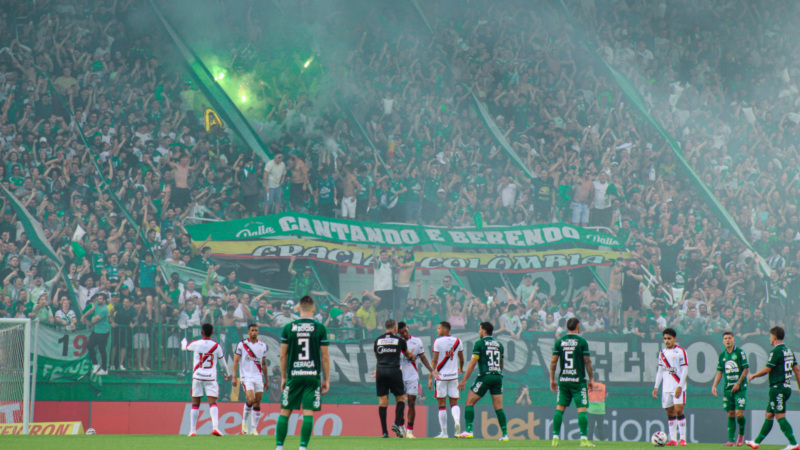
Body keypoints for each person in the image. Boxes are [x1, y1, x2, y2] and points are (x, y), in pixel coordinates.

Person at [276, 296, 330, 450]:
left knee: (285, 410)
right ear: (313, 309)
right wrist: (326, 379)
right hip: (312, 375)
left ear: (299, 309)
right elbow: (325, 356)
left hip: (294, 375)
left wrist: (284, 377)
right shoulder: (320, 328)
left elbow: (282, 355)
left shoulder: (288, 328)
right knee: (308, 411)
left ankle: (279, 447)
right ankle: (302, 447)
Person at [745, 326, 800, 450]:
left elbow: (767, 369)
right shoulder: (788, 351)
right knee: (769, 414)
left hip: (777, 388)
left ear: (774, 337)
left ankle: (793, 443)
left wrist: (754, 375)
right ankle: (756, 442)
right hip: (786, 388)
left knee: (780, 416)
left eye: (770, 336)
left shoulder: (776, 351)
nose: (769, 339)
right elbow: (797, 370)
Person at [457, 321, 508, 441]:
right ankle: (505, 434)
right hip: (498, 376)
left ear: (484, 330)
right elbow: (501, 363)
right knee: (499, 407)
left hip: (485, 376)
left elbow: (472, 363)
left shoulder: (479, 344)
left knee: (469, 402)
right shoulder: (499, 344)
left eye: (480, 329)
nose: (479, 331)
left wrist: (464, 379)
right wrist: (497, 374)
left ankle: (469, 431)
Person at [550, 317, 595, 447]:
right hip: (578, 381)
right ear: (578, 326)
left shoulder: (560, 342)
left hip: (564, 380)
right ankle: (584, 439)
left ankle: (555, 438)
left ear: (566, 327)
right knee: (581, 409)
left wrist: (552, 379)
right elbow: (587, 361)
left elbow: (553, 362)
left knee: (560, 408)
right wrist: (591, 378)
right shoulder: (582, 342)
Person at [180, 323, 230, 436]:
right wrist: (227, 373)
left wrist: (183, 341)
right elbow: (223, 363)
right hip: (211, 378)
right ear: (212, 332)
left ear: (202, 332)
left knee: (195, 403)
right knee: (213, 403)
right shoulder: (217, 346)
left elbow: (184, 348)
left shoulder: (196, 344)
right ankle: (215, 428)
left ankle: (192, 430)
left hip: (197, 377)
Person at [372, 319, 417, 438]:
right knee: (401, 398)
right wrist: (412, 356)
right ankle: (396, 423)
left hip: (381, 371)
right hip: (394, 371)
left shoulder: (378, 340)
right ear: (395, 328)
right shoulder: (399, 340)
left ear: (385, 328)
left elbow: (377, 356)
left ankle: (384, 432)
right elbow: (408, 355)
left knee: (383, 402)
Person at [397, 321, 436, 439]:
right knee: (400, 403)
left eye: (405, 331)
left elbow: (422, 357)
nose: (404, 334)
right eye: (401, 333)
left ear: (408, 328)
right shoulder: (397, 343)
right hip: (399, 376)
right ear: (398, 333)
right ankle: (401, 428)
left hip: (412, 375)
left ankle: (409, 431)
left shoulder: (417, 341)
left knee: (411, 402)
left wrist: (431, 370)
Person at [711, 331, 749, 446]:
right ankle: (731, 440)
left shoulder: (740, 352)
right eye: (725, 338)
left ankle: (741, 434)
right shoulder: (722, 355)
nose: (728, 340)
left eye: (729, 338)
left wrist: (738, 384)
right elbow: (719, 372)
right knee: (730, 413)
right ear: (723, 341)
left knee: (739, 414)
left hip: (740, 388)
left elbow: (746, 369)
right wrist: (714, 385)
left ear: (734, 340)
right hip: (728, 389)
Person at [653, 328, 689, 446]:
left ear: (674, 339)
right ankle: (673, 439)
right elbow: (660, 371)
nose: (667, 341)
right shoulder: (662, 353)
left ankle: (682, 439)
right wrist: (656, 387)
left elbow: (685, 369)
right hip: (666, 387)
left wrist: (680, 386)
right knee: (669, 412)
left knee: (678, 410)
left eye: (669, 338)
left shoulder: (681, 352)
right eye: (665, 339)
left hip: (678, 386)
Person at [428, 320, 464, 439]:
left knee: (441, 404)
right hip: (453, 376)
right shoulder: (458, 341)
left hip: (441, 377)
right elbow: (461, 358)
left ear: (445, 329)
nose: (437, 330)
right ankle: (457, 423)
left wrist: (430, 376)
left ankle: (444, 432)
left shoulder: (438, 341)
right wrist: (461, 368)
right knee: (454, 403)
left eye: (439, 328)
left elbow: (434, 360)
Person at [232, 324, 269, 436]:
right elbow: (236, 361)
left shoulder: (262, 345)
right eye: (252, 330)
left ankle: (254, 429)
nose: (254, 332)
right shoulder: (242, 344)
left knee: (257, 402)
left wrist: (266, 379)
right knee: (251, 399)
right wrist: (234, 376)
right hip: (246, 377)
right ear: (248, 331)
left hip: (258, 377)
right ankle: (244, 421)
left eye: (256, 330)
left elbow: (263, 363)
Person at [84, 294, 111, 376]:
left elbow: (95, 320)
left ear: (104, 301)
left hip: (103, 332)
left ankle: (104, 369)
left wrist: (88, 320)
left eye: (100, 299)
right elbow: (91, 310)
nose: (98, 300)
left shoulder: (104, 309)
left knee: (102, 350)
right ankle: (95, 364)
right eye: (98, 298)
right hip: (96, 331)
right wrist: (84, 316)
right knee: (89, 346)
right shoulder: (96, 304)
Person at [587, 371, 607, 442]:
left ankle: (589, 440)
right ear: (598, 378)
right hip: (600, 411)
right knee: (600, 427)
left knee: (591, 427)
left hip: (591, 410)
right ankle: (602, 441)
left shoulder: (589, 386)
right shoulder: (603, 386)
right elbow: (606, 395)